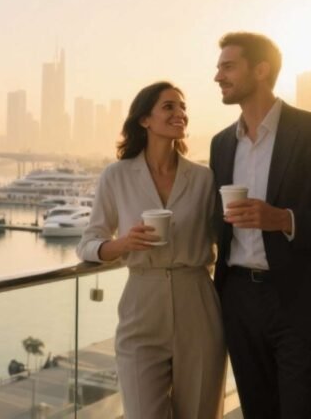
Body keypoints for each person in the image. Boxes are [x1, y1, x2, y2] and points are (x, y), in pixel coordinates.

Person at [210, 32, 311, 418]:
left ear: (261, 70)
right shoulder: (220, 144)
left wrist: (284, 219)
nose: (218, 76)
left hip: (303, 304)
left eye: (228, 66)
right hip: (239, 302)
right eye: (218, 68)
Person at [77, 81, 225, 419]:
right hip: (141, 302)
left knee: (201, 412)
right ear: (145, 120)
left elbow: (223, 235)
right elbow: (87, 244)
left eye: (183, 107)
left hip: (198, 299)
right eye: (169, 107)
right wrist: (123, 244)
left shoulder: (203, 177)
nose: (180, 114)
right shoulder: (116, 176)